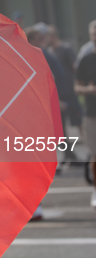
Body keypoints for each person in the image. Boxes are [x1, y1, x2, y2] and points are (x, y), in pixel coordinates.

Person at [74, 20, 96, 208]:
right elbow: (77, 87)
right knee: (95, 152)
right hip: (92, 113)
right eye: (93, 32)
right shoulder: (86, 59)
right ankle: (95, 189)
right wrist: (88, 90)